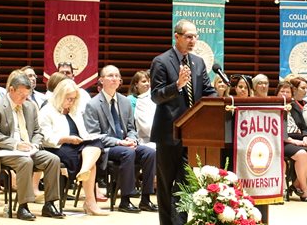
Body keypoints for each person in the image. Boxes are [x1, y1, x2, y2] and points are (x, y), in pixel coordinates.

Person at [150, 19, 216, 225]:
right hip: (168, 133)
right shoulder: (161, 62)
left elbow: (208, 91)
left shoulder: (198, 62)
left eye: (195, 36)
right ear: (176, 37)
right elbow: (156, 96)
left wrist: (221, 101)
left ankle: (180, 222)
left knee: (185, 182)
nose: (193, 40)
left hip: (193, 133)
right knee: (166, 183)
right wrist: (177, 85)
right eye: (188, 36)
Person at [0, 73, 64, 220]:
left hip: (28, 150)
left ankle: (50, 204)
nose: (24, 98)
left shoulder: (30, 106)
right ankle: (23, 206)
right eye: (21, 94)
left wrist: (35, 144)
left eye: (27, 95)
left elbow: (38, 131)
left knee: (53, 159)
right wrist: (16, 144)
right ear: (11, 90)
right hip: (3, 151)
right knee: (25, 162)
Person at [84, 65, 157, 213]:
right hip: (106, 148)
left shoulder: (125, 102)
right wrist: (119, 142)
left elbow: (131, 128)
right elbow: (94, 135)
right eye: (110, 75)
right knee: (128, 153)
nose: (115, 78)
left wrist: (132, 140)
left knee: (150, 153)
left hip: (126, 144)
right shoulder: (92, 104)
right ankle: (125, 200)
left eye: (117, 76)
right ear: (101, 80)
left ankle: (146, 199)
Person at [39, 78, 107, 215]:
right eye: (69, 98)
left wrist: (85, 138)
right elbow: (45, 138)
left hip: (78, 144)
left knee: (96, 144)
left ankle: (84, 170)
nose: (71, 102)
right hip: (58, 146)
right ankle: (90, 202)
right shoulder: (46, 110)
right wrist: (66, 139)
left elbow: (83, 131)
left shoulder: (73, 110)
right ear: (60, 95)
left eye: (73, 99)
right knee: (90, 163)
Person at [276, 81, 307, 201]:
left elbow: (304, 127)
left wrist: (305, 137)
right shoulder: (274, 107)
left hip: (299, 139)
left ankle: (295, 185)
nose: (284, 94)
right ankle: (304, 189)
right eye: (282, 91)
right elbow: (277, 131)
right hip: (284, 141)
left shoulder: (294, 106)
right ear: (277, 93)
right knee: (301, 154)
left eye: (287, 92)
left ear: (292, 94)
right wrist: (293, 141)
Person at [130, 71, 157, 148]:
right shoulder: (136, 100)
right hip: (146, 141)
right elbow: (147, 128)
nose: (147, 84)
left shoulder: (154, 98)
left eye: (149, 81)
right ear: (136, 84)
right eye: (144, 81)